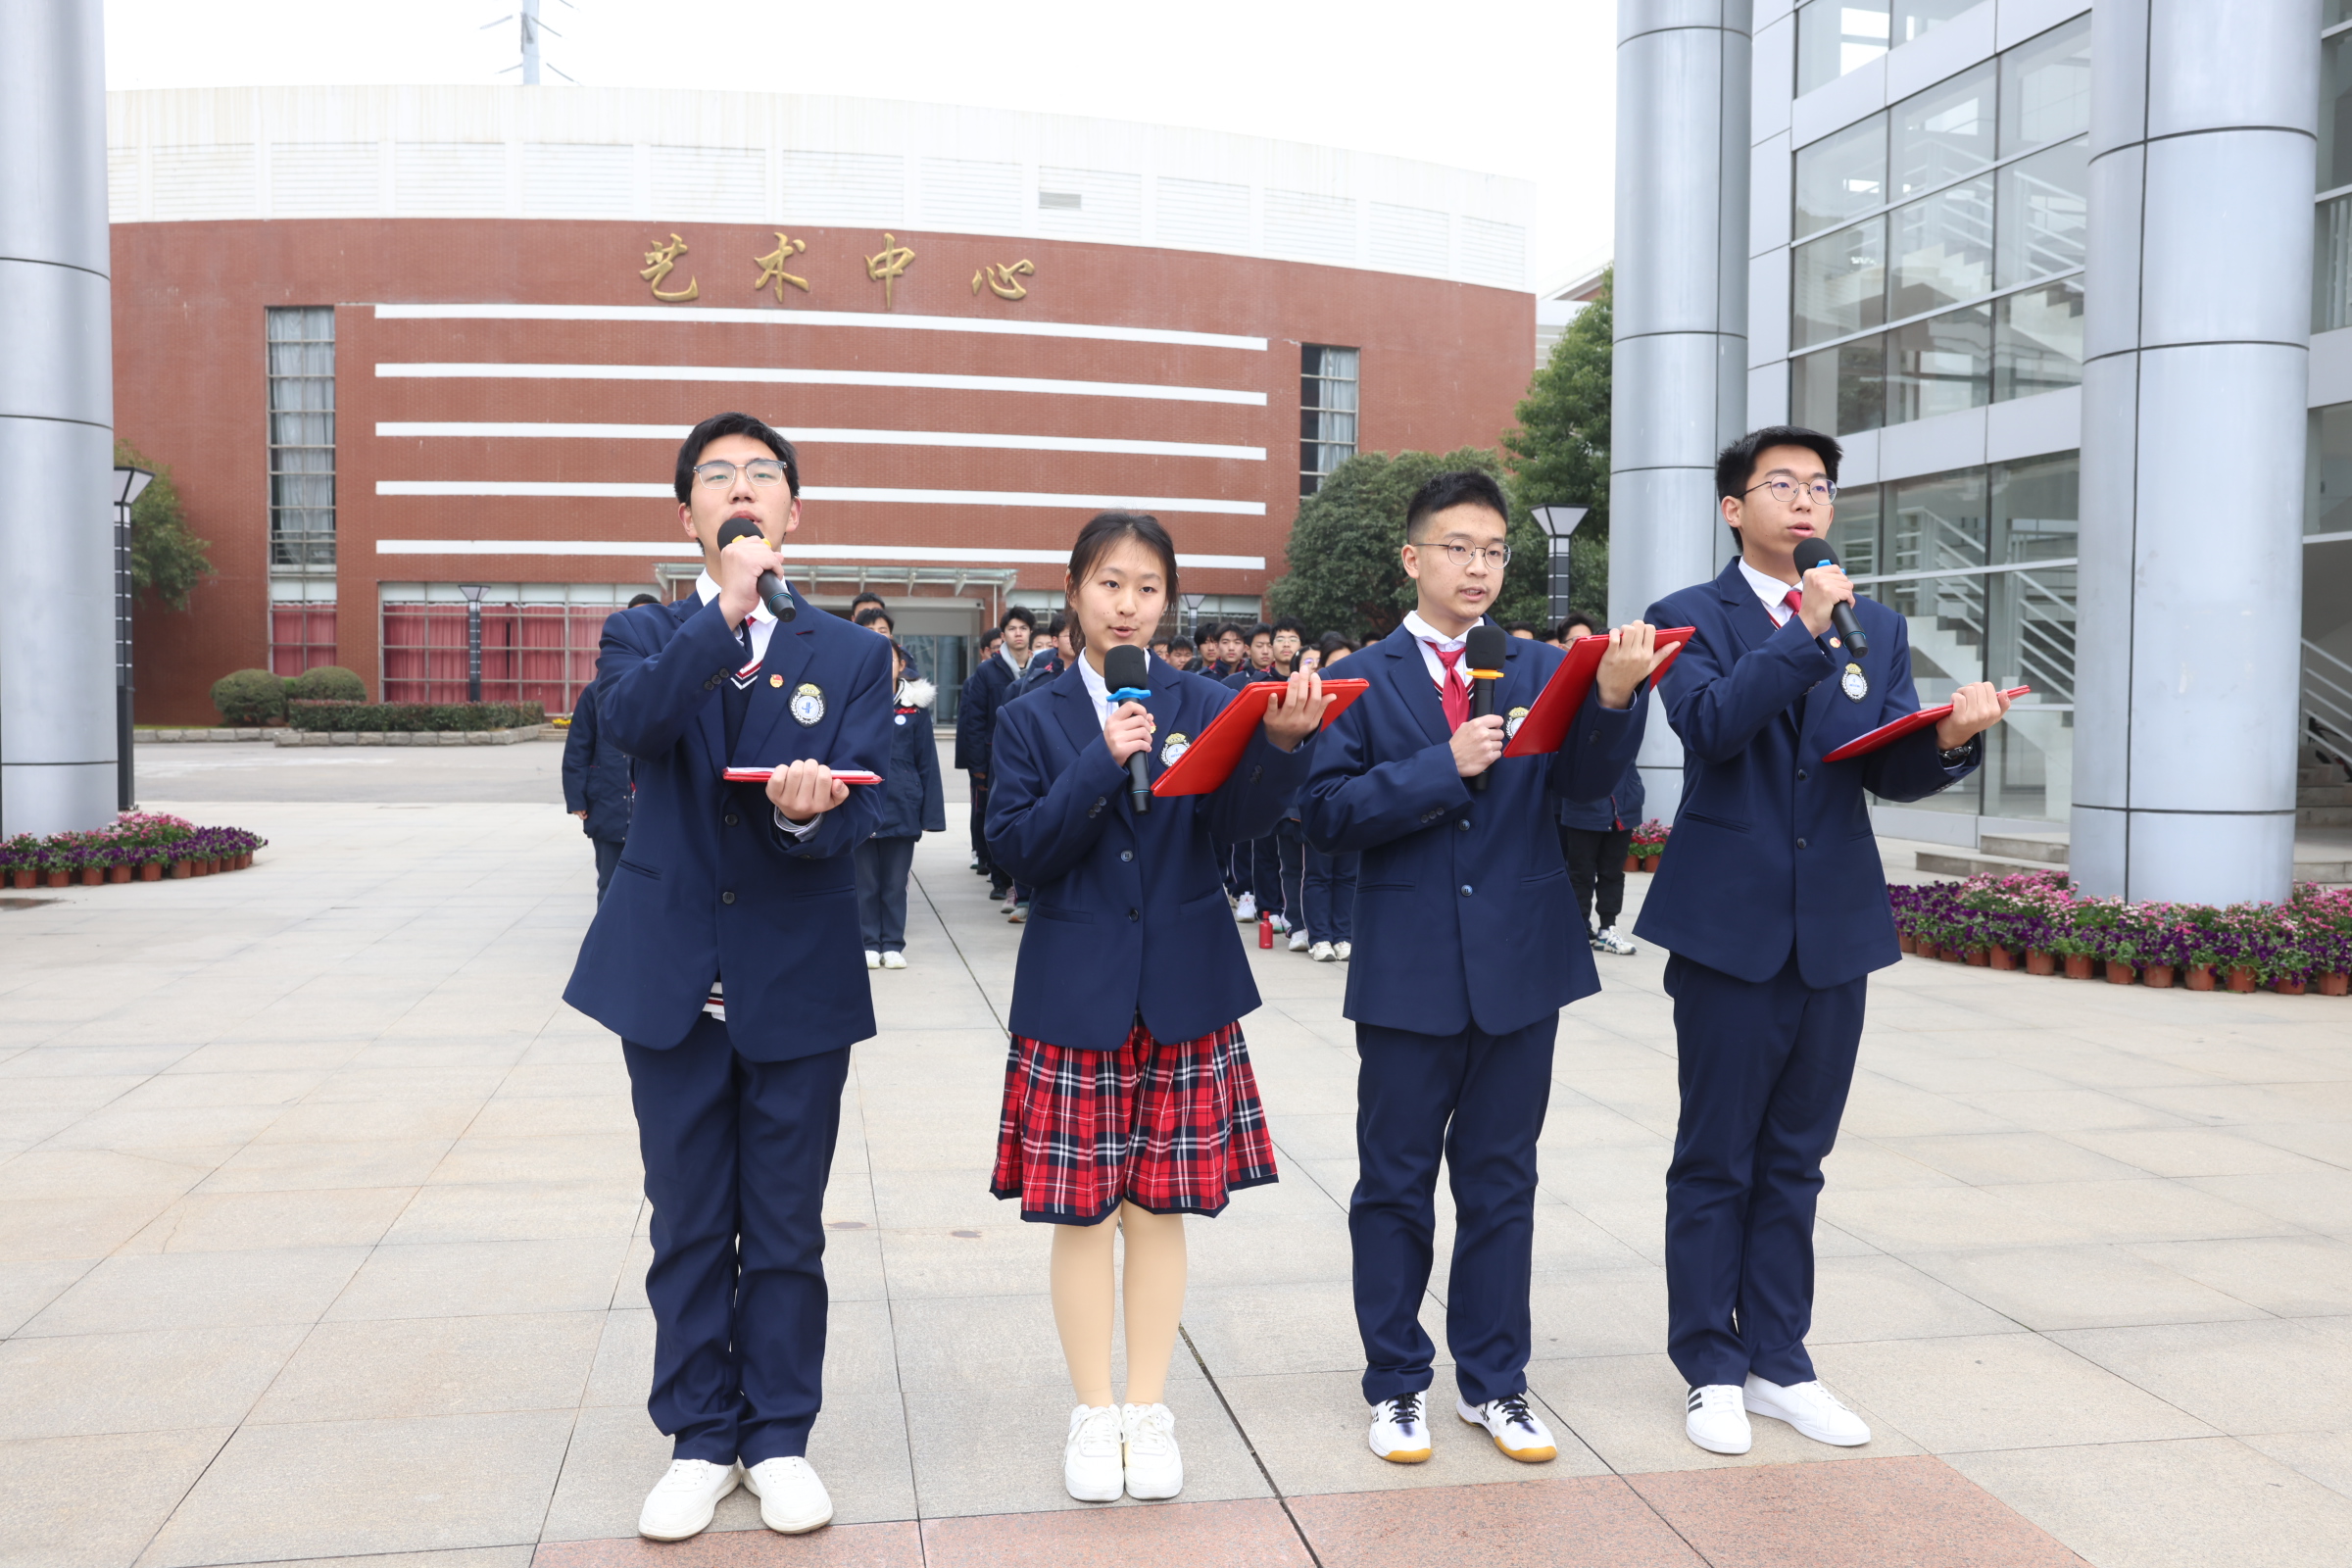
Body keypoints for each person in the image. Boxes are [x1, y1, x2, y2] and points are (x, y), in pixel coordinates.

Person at [1638, 426, 2011, 1458]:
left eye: (1820, 487)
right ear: (1734, 508)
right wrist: (1800, 630)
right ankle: (1709, 1362)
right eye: (1783, 484)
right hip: (1727, 926)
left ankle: (1781, 1359)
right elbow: (1711, 726)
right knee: (1716, 1156)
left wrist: (1947, 738)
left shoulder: (1875, 627)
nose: (1806, 501)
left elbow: (1877, 768)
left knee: (1797, 1159)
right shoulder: (1689, 616)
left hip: (1836, 928)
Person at [563, 412, 892, 1543]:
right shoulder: (644, 636)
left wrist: (812, 819)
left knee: (787, 1224)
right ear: (691, 517)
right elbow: (638, 724)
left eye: (762, 475)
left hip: (796, 979)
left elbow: (877, 797)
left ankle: (781, 1434)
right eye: (718, 477)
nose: (741, 489)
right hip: (670, 981)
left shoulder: (849, 653)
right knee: (691, 1219)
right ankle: (701, 1438)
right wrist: (726, 613)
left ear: (794, 511)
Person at [1301, 468, 1665, 1471]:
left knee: (1503, 1182)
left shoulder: (1546, 664)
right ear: (1413, 557)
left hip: (1520, 964)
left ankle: (1495, 1379)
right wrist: (1439, 765)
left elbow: (1592, 792)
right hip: (1410, 969)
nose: (1477, 566)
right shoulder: (1362, 677)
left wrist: (1617, 702)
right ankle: (1395, 1381)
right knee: (1396, 1183)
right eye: (1457, 547)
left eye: (1494, 550)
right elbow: (1326, 816)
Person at [986, 511, 1329, 1505]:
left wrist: (1282, 747)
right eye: (1108, 583)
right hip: (1076, 988)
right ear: (1075, 592)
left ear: (1168, 600)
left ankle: (1147, 1405)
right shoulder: (1034, 717)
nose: (1127, 602)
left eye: (1145, 585)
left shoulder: (1206, 698)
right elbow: (1020, 852)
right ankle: (1094, 1412)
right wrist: (1101, 756)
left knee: (1160, 1202)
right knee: (1082, 1211)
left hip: (1183, 984)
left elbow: (1242, 827)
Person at [563, 594, 656, 900]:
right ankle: (609, 944)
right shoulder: (596, 691)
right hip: (609, 805)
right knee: (610, 883)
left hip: (653, 807)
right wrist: (578, 797)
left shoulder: (669, 682)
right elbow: (579, 746)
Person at [856, 643, 944, 969]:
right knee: (864, 882)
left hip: (903, 806)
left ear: (901, 664)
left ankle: (892, 943)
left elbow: (928, 764)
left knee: (895, 883)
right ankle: (867, 942)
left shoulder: (915, 709)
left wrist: (930, 814)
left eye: (888, 659)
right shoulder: (856, 702)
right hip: (863, 804)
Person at [959, 608, 1036, 900]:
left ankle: (1022, 881)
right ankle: (999, 878)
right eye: (1013, 628)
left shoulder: (1041, 669)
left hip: (1030, 753)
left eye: (1024, 628)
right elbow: (974, 719)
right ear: (1003, 635)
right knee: (996, 813)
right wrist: (977, 764)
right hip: (995, 755)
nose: (1018, 633)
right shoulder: (987, 670)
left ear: (1030, 633)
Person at [1557, 756, 1642, 956]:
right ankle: (1578, 929)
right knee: (1580, 873)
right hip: (1584, 806)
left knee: (1612, 873)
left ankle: (1607, 929)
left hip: (1623, 806)